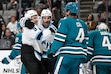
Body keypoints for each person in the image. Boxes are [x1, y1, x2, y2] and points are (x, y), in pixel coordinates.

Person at [47, 2, 88, 74]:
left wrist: (51, 51)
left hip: (67, 55)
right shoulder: (83, 23)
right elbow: (86, 41)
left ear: (68, 11)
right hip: (79, 55)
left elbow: (59, 39)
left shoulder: (64, 21)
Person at [21, 9, 57, 74]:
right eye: (33, 18)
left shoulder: (36, 25)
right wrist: (52, 29)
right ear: (29, 19)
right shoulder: (30, 27)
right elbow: (41, 37)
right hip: (28, 52)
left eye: (36, 17)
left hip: (36, 54)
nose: (36, 19)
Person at [38, 8, 57, 74]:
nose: (46, 20)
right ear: (41, 18)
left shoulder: (55, 27)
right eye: (44, 18)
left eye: (48, 18)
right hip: (41, 56)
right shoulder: (38, 28)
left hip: (52, 56)